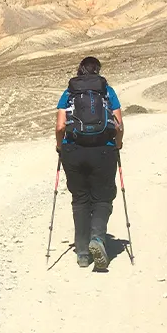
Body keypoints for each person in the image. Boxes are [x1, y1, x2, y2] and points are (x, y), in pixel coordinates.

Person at [55, 56, 124, 271]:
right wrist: (118, 145)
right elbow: (119, 125)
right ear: (98, 71)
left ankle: (83, 253)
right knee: (103, 197)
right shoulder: (107, 92)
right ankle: (97, 238)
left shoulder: (69, 93)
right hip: (103, 149)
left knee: (80, 198)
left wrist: (60, 147)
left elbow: (59, 126)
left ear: (79, 71)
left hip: (73, 150)